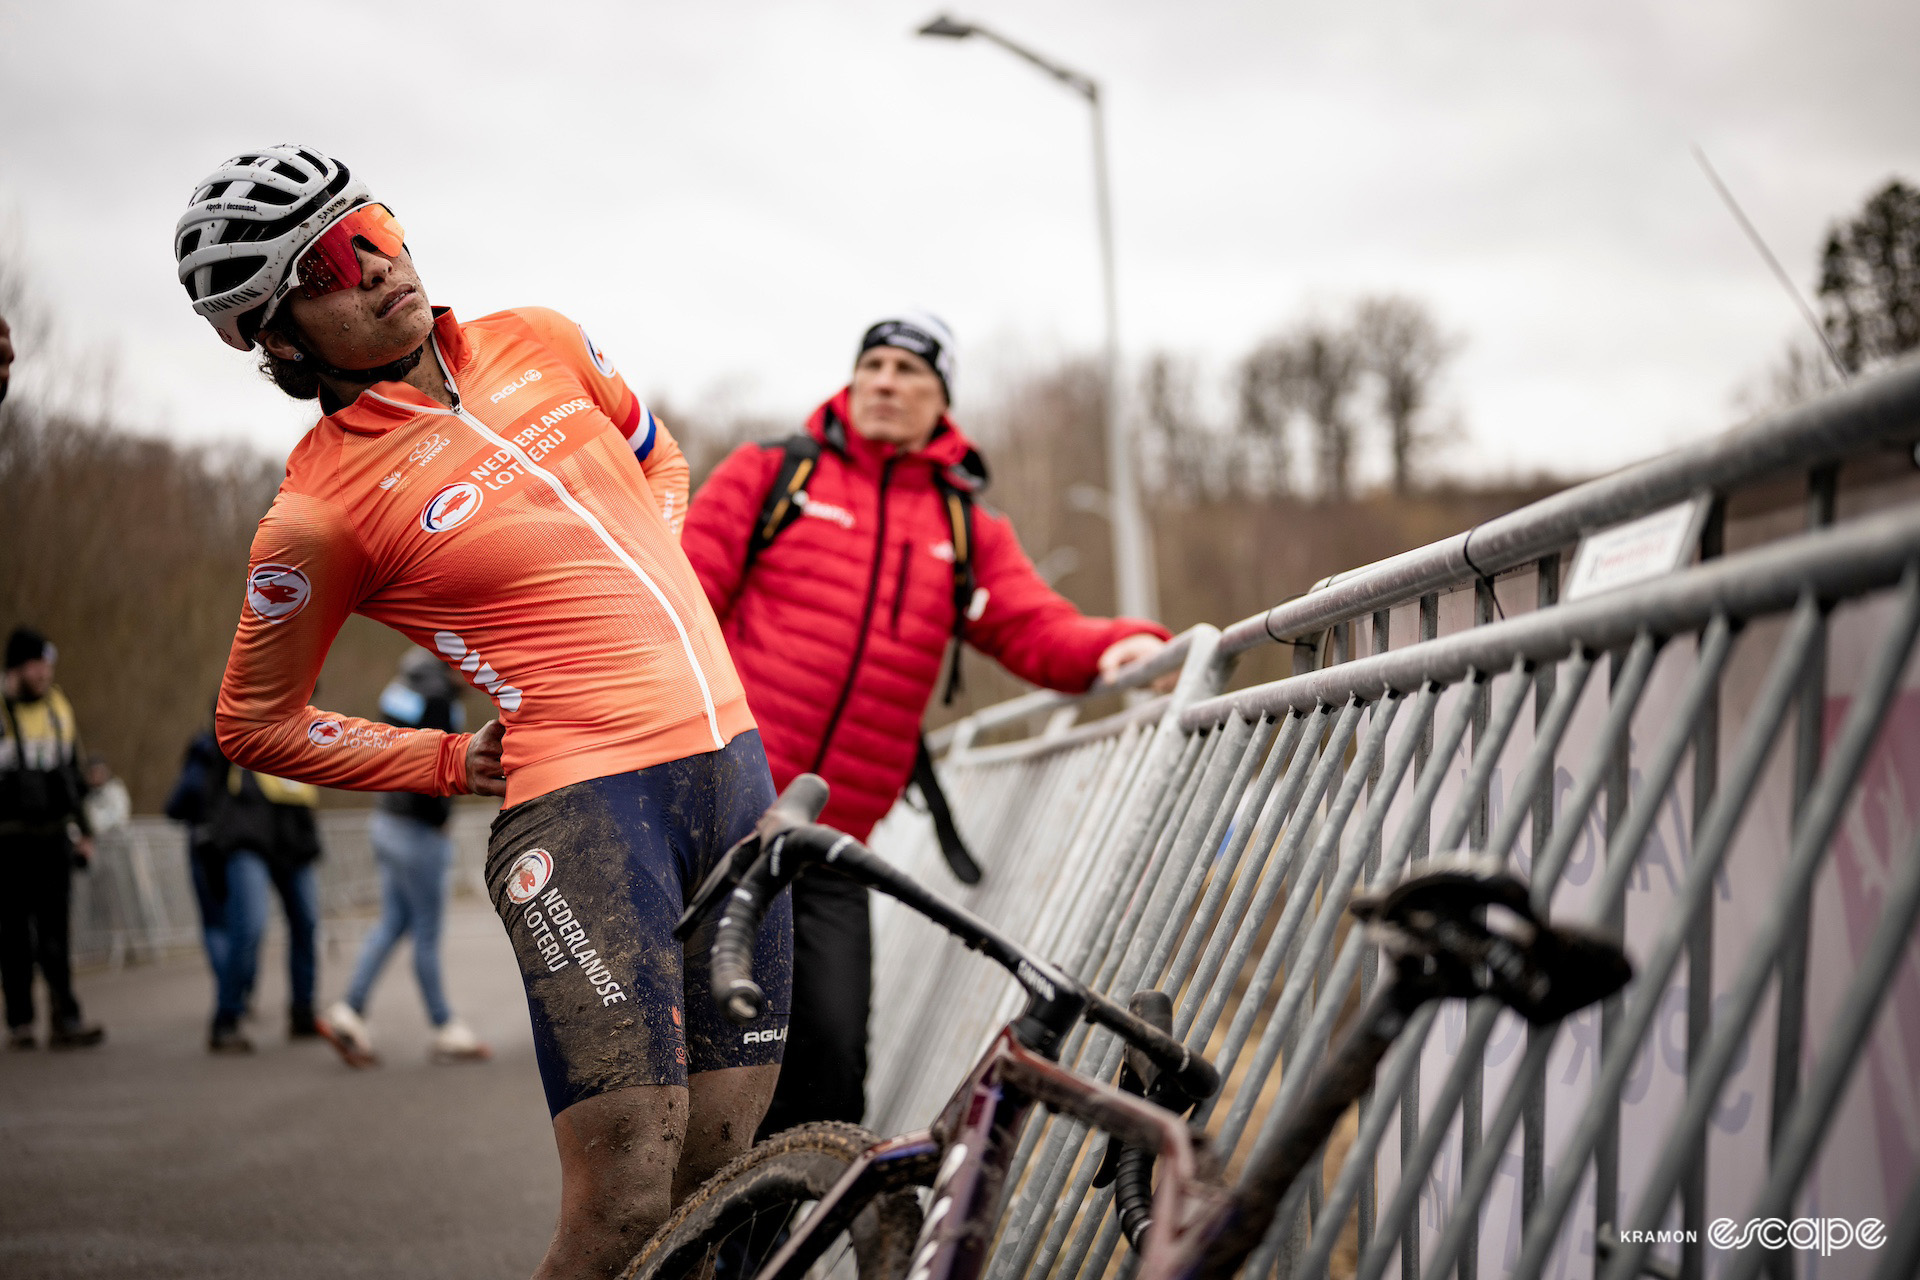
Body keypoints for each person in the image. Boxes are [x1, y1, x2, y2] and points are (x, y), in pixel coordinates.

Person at [175, 144, 784, 1279]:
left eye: (382, 228)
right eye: (335, 264)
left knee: (726, 1171)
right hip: (590, 814)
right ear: (279, 337)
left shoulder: (541, 337)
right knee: (624, 1203)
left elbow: (660, 458)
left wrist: (653, 583)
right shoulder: (317, 513)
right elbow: (255, 724)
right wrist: (451, 758)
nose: (383, 266)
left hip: (734, 773)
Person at [682, 311, 1171, 1136]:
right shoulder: (772, 474)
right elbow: (682, 608)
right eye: (871, 364)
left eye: (909, 372)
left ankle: (778, 1256)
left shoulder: (961, 524)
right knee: (716, 1068)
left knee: (833, 1074)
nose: (883, 382)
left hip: (835, 841)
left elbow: (1032, 627)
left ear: (941, 399)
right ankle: (694, 1254)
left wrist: (1122, 648)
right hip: (726, 812)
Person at [321, 647, 489, 1065]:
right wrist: (440, 820)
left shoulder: (404, 683)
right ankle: (444, 1026)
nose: (473, 674)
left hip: (386, 823)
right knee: (427, 933)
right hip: (417, 831)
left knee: (393, 922)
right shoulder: (438, 699)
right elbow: (434, 764)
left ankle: (349, 1010)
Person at [166, 725, 325, 1054]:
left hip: (294, 835)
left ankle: (303, 1012)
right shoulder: (247, 710)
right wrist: (210, 835)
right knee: (249, 927)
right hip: (247, 835)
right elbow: (209, 782)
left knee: (307, 923)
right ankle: (226, 1019)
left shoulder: (310, 725)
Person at [0, 626, 105, 1050]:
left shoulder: (57, 709)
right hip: (7, 842)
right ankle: (21, 1022)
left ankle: (66, 1017)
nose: (44, 673)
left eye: (47, 665)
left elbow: (71, 779)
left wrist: (85, 831)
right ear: (16, 667)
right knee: (13, 935)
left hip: (51, 839)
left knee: (55, 931)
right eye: (36, 665)